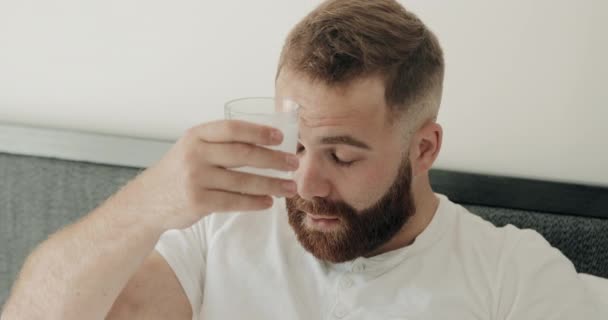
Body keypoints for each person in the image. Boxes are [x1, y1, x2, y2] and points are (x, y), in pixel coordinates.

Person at [2, 0, 603, 319]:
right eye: (293, 142)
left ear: (423, 149)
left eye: (342, 155)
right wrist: (147, 205)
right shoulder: (219, 235)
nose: (304, 180)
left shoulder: (507, 276)